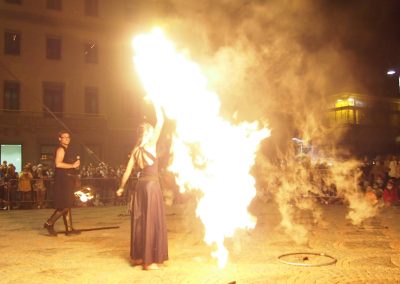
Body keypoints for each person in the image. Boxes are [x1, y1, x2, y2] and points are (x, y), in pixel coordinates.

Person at [116, 100, 168, 270]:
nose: (154, 131)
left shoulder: (136, 150)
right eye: (151, 130)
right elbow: (161, 120)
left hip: (140, 187)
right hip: (151, 186)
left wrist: (121, 187)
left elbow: (127, 172)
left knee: (140, 221)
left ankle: (138, 257)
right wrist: (156, 102)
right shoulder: (150, 144)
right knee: (151, 221)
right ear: (147, 132)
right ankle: (148, 261)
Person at [43, 130, 80, 236]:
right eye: (64, 137)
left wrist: (74, 165)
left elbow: (65, 164)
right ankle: (49, 223)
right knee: (64, 205)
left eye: (68, 137)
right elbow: (58, 164)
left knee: (67, 205)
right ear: (60, 139)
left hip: (66, 180)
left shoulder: (66, 150)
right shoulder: (61, 149)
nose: (67, 139)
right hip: (63, 181)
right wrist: (72, 166)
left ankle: (69, 229)